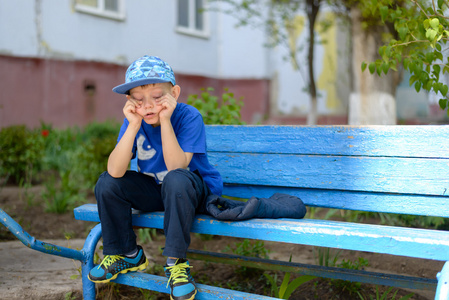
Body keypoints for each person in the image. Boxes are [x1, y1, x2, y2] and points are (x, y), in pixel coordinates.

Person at [87, 55, 223, 300]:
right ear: (130, 101)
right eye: (138, 100)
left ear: (175, 93)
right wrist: (132, 126)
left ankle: (176, 264)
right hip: (159, 191)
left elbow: (177, 166)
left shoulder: (188, 117)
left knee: (176, 179)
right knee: (107, 182)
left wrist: (165, 120)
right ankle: (127, 254)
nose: (148, 106)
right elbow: (115, 171)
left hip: (192, 191)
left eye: (158, 97)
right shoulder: (133, 122)